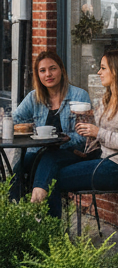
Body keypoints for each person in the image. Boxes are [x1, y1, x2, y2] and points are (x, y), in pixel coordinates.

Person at [31, 49, 118, 217]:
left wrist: (97, 132)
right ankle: (38, 199)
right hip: (101, 157)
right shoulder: (108, 98)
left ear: (116, 70)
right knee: (50, 156)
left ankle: (49, 231)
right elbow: (99, 134)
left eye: (103, 68)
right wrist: (88, 132)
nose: (98, 72)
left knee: (53, 178)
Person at [12, 51, 90, 196]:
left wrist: (58, 142)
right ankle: (15, 214)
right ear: (38, 75)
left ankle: (38, 209)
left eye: (52, 68)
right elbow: (15, 120)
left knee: (49, 161)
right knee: (19, 168)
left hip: (71, 152)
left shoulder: (79, 96)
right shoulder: (33, 97)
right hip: (39, 153)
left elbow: (84, 136)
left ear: (61, 69)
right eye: (43, 70)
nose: (48, 74)